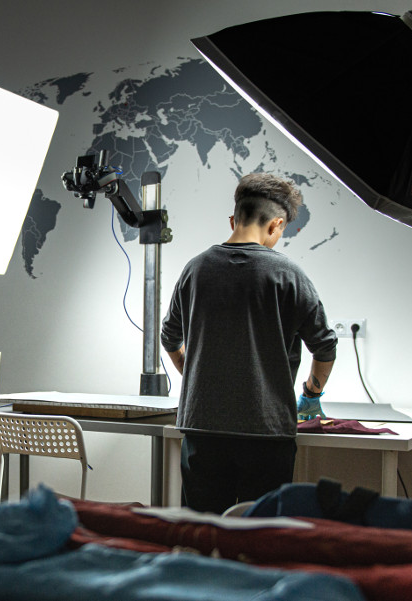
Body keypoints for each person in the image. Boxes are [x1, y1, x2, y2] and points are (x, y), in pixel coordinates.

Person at [160, 173, 337, 515]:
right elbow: (325, 346)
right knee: (262, 538)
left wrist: (194, 374)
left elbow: (170, 337)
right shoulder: (288, 275)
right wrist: (312, 394)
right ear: (276, 224)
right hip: (267, 432)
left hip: (203, 428)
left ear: (233, 219)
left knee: (203, 532)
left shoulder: (195, 270)